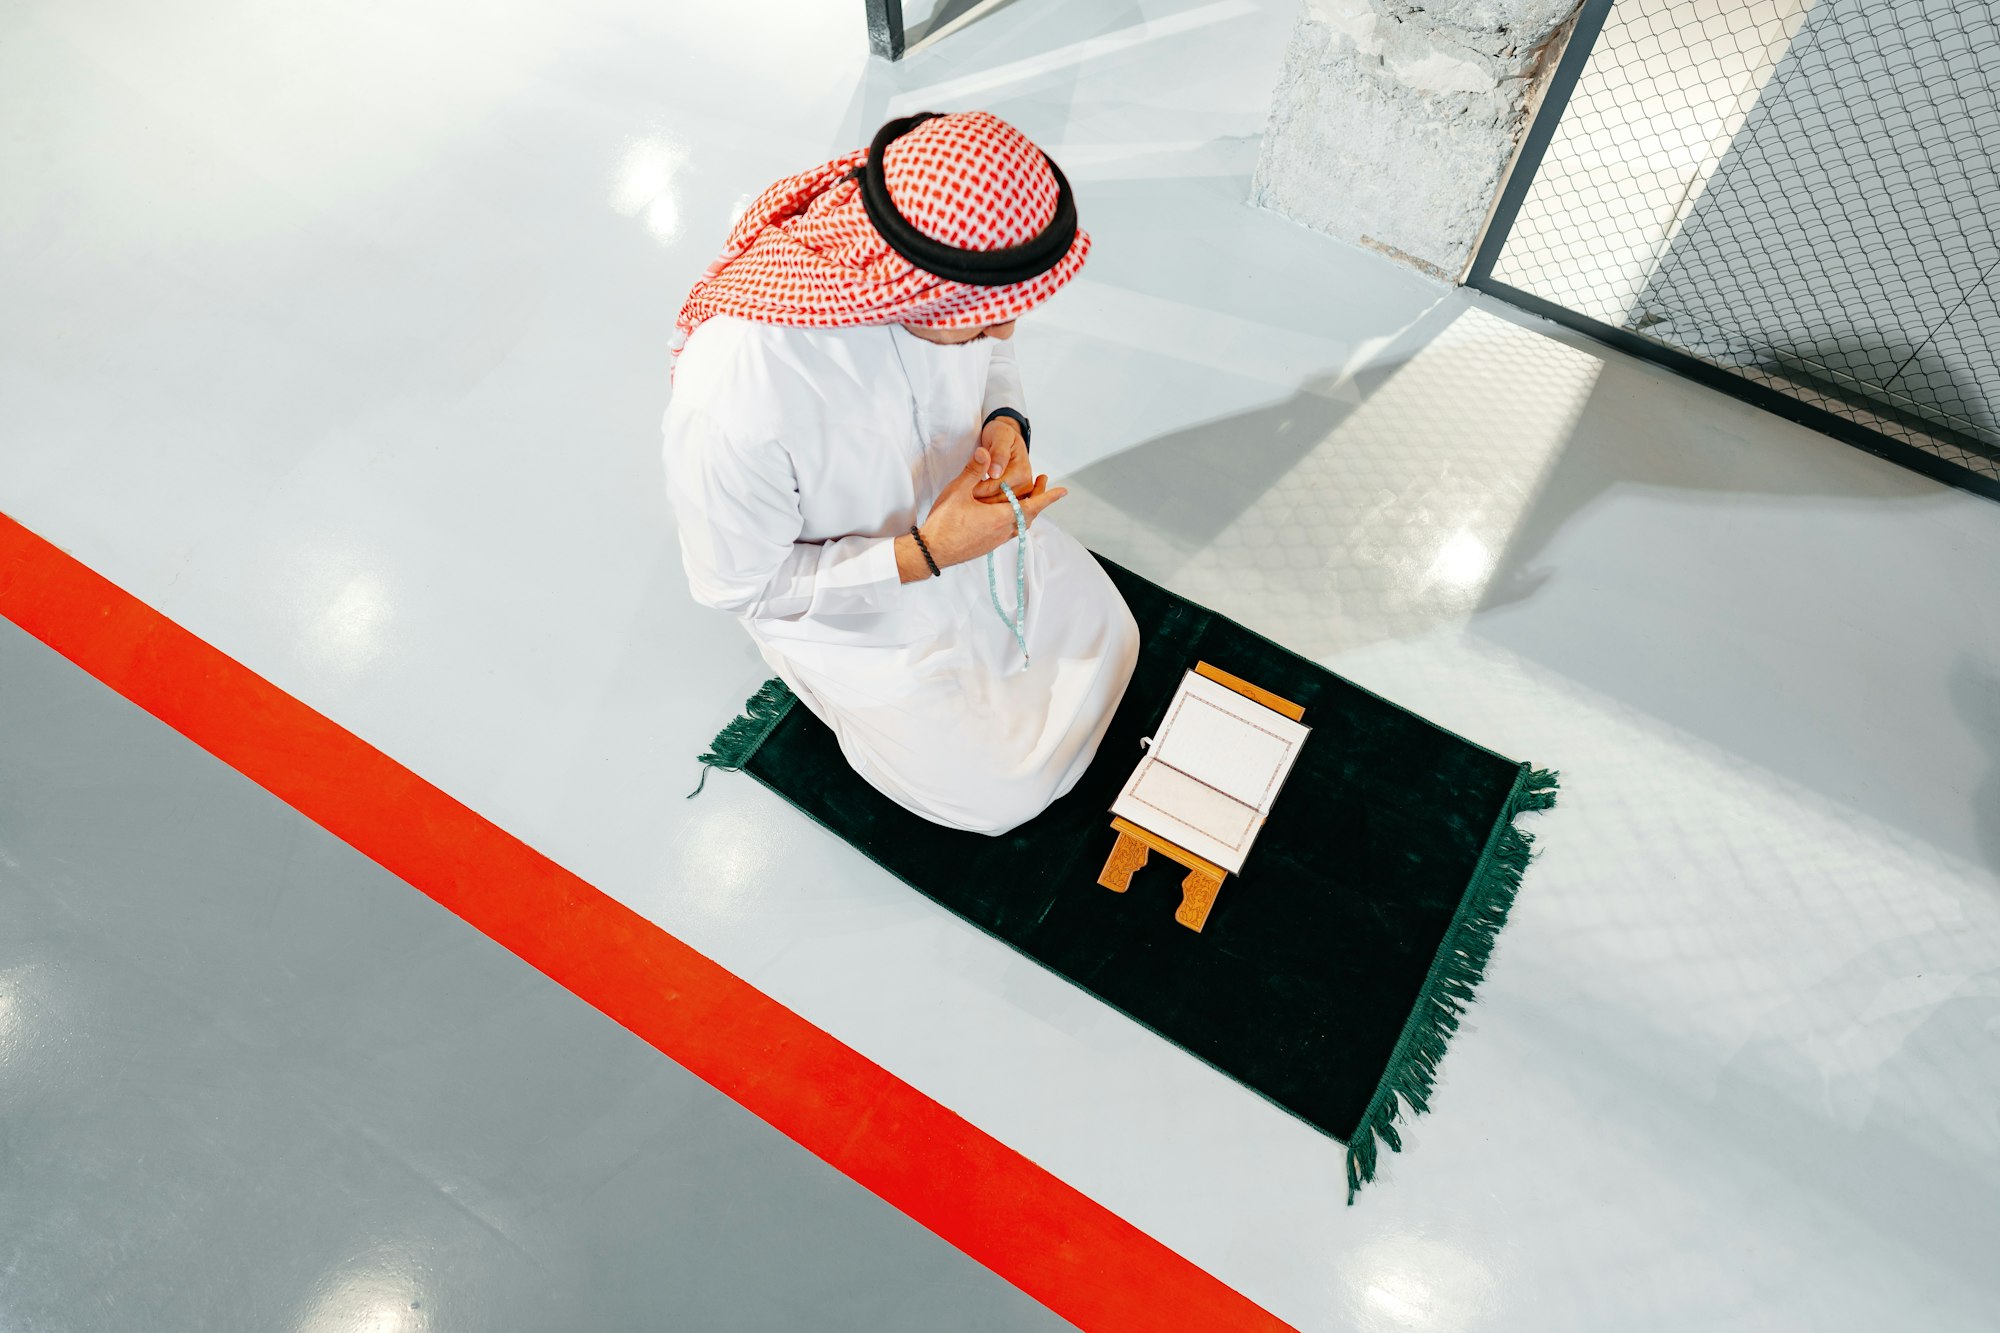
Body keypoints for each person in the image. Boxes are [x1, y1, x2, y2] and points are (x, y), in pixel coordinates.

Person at [663, 110, 1140, 835]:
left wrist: (1003, 421)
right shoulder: (738, 393)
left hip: (966, 535)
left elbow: (995, 353)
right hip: (854, 604)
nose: (1004, 328)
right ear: (909, 286)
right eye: (984, 316)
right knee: (998, 794)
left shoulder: (938, 288)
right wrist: (926, 554)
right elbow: (739, 586)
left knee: (1115, 633)